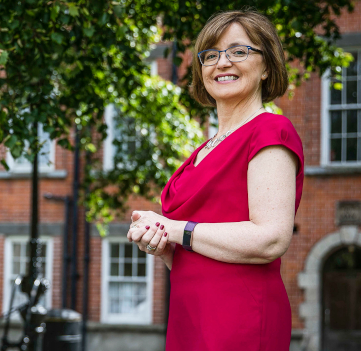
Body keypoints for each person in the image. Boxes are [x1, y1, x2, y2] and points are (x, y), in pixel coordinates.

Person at [127, 10, 303, 350]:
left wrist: (174, 228)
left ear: (267, 66)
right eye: (211, 55)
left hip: (241, 319)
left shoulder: (270, 130)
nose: (222, 63)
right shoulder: (202, 150)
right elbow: (195, 251)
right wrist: (162, 244)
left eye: (239, 51)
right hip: (189, 316)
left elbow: (270, 239)